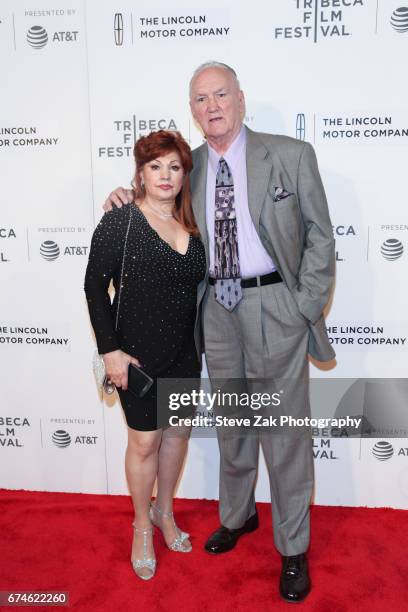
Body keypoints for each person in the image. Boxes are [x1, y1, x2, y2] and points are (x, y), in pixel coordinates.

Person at [103, 62, 335, 602]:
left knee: (283, 433)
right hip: (216, 312)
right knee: (234, 425)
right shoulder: (190, 168)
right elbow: (152, 206)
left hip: (277, 303)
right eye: (201, 98)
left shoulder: (291, 155)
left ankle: (293, 547)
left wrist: (303, 306)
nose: (212, 106)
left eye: (221, 94)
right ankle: (236, 517)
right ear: (193, 110)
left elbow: (322, 237)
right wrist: (120, 197)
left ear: (240, 98)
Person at [84, 130, 206, 580]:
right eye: (156, 166)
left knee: (176, 437)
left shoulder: (190, 224)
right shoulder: (122, 221)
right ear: (140, 172)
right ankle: (141, 526)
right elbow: (94, 286)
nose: (165, 175)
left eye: (174, 166)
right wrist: (110, 352)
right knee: (145, 442)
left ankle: (165, 512)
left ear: (183, 175)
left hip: (183, 353)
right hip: (135, 356)